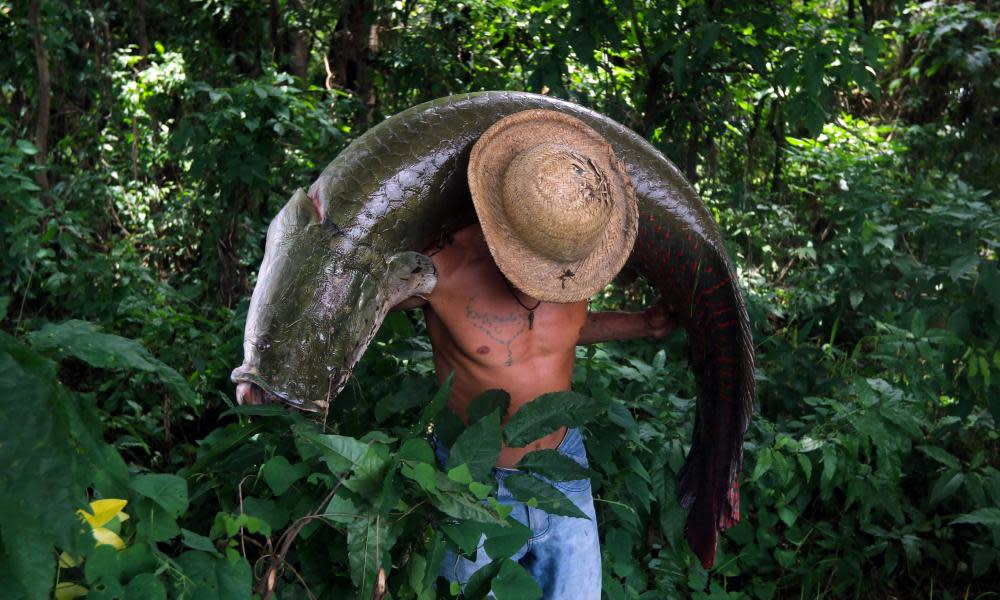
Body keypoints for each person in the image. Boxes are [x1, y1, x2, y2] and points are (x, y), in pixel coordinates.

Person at [393, 110, 674, 598]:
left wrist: (643, 324)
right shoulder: (441, 267)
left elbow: (564, 331)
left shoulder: (573, 254)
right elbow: (349, 295)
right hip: (473, 477)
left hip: (561, 465)